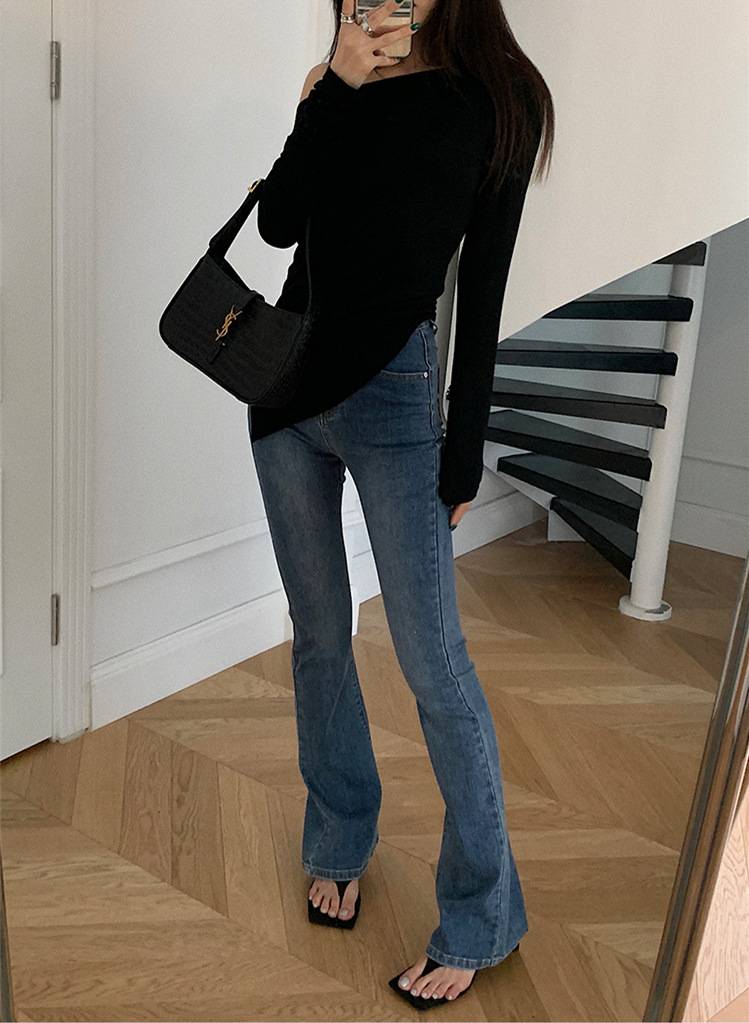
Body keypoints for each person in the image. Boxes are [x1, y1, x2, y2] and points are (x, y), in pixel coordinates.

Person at [248, 0, 553, 1007]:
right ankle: (339, 833)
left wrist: (464, 448)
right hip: (285, 393)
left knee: (433, 663)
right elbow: (278, 225)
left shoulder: (499, 100)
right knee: (318, 637)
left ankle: (481, 915)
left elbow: (484, 289)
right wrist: (333, 85)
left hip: (394, 402)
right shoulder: (330, 83)